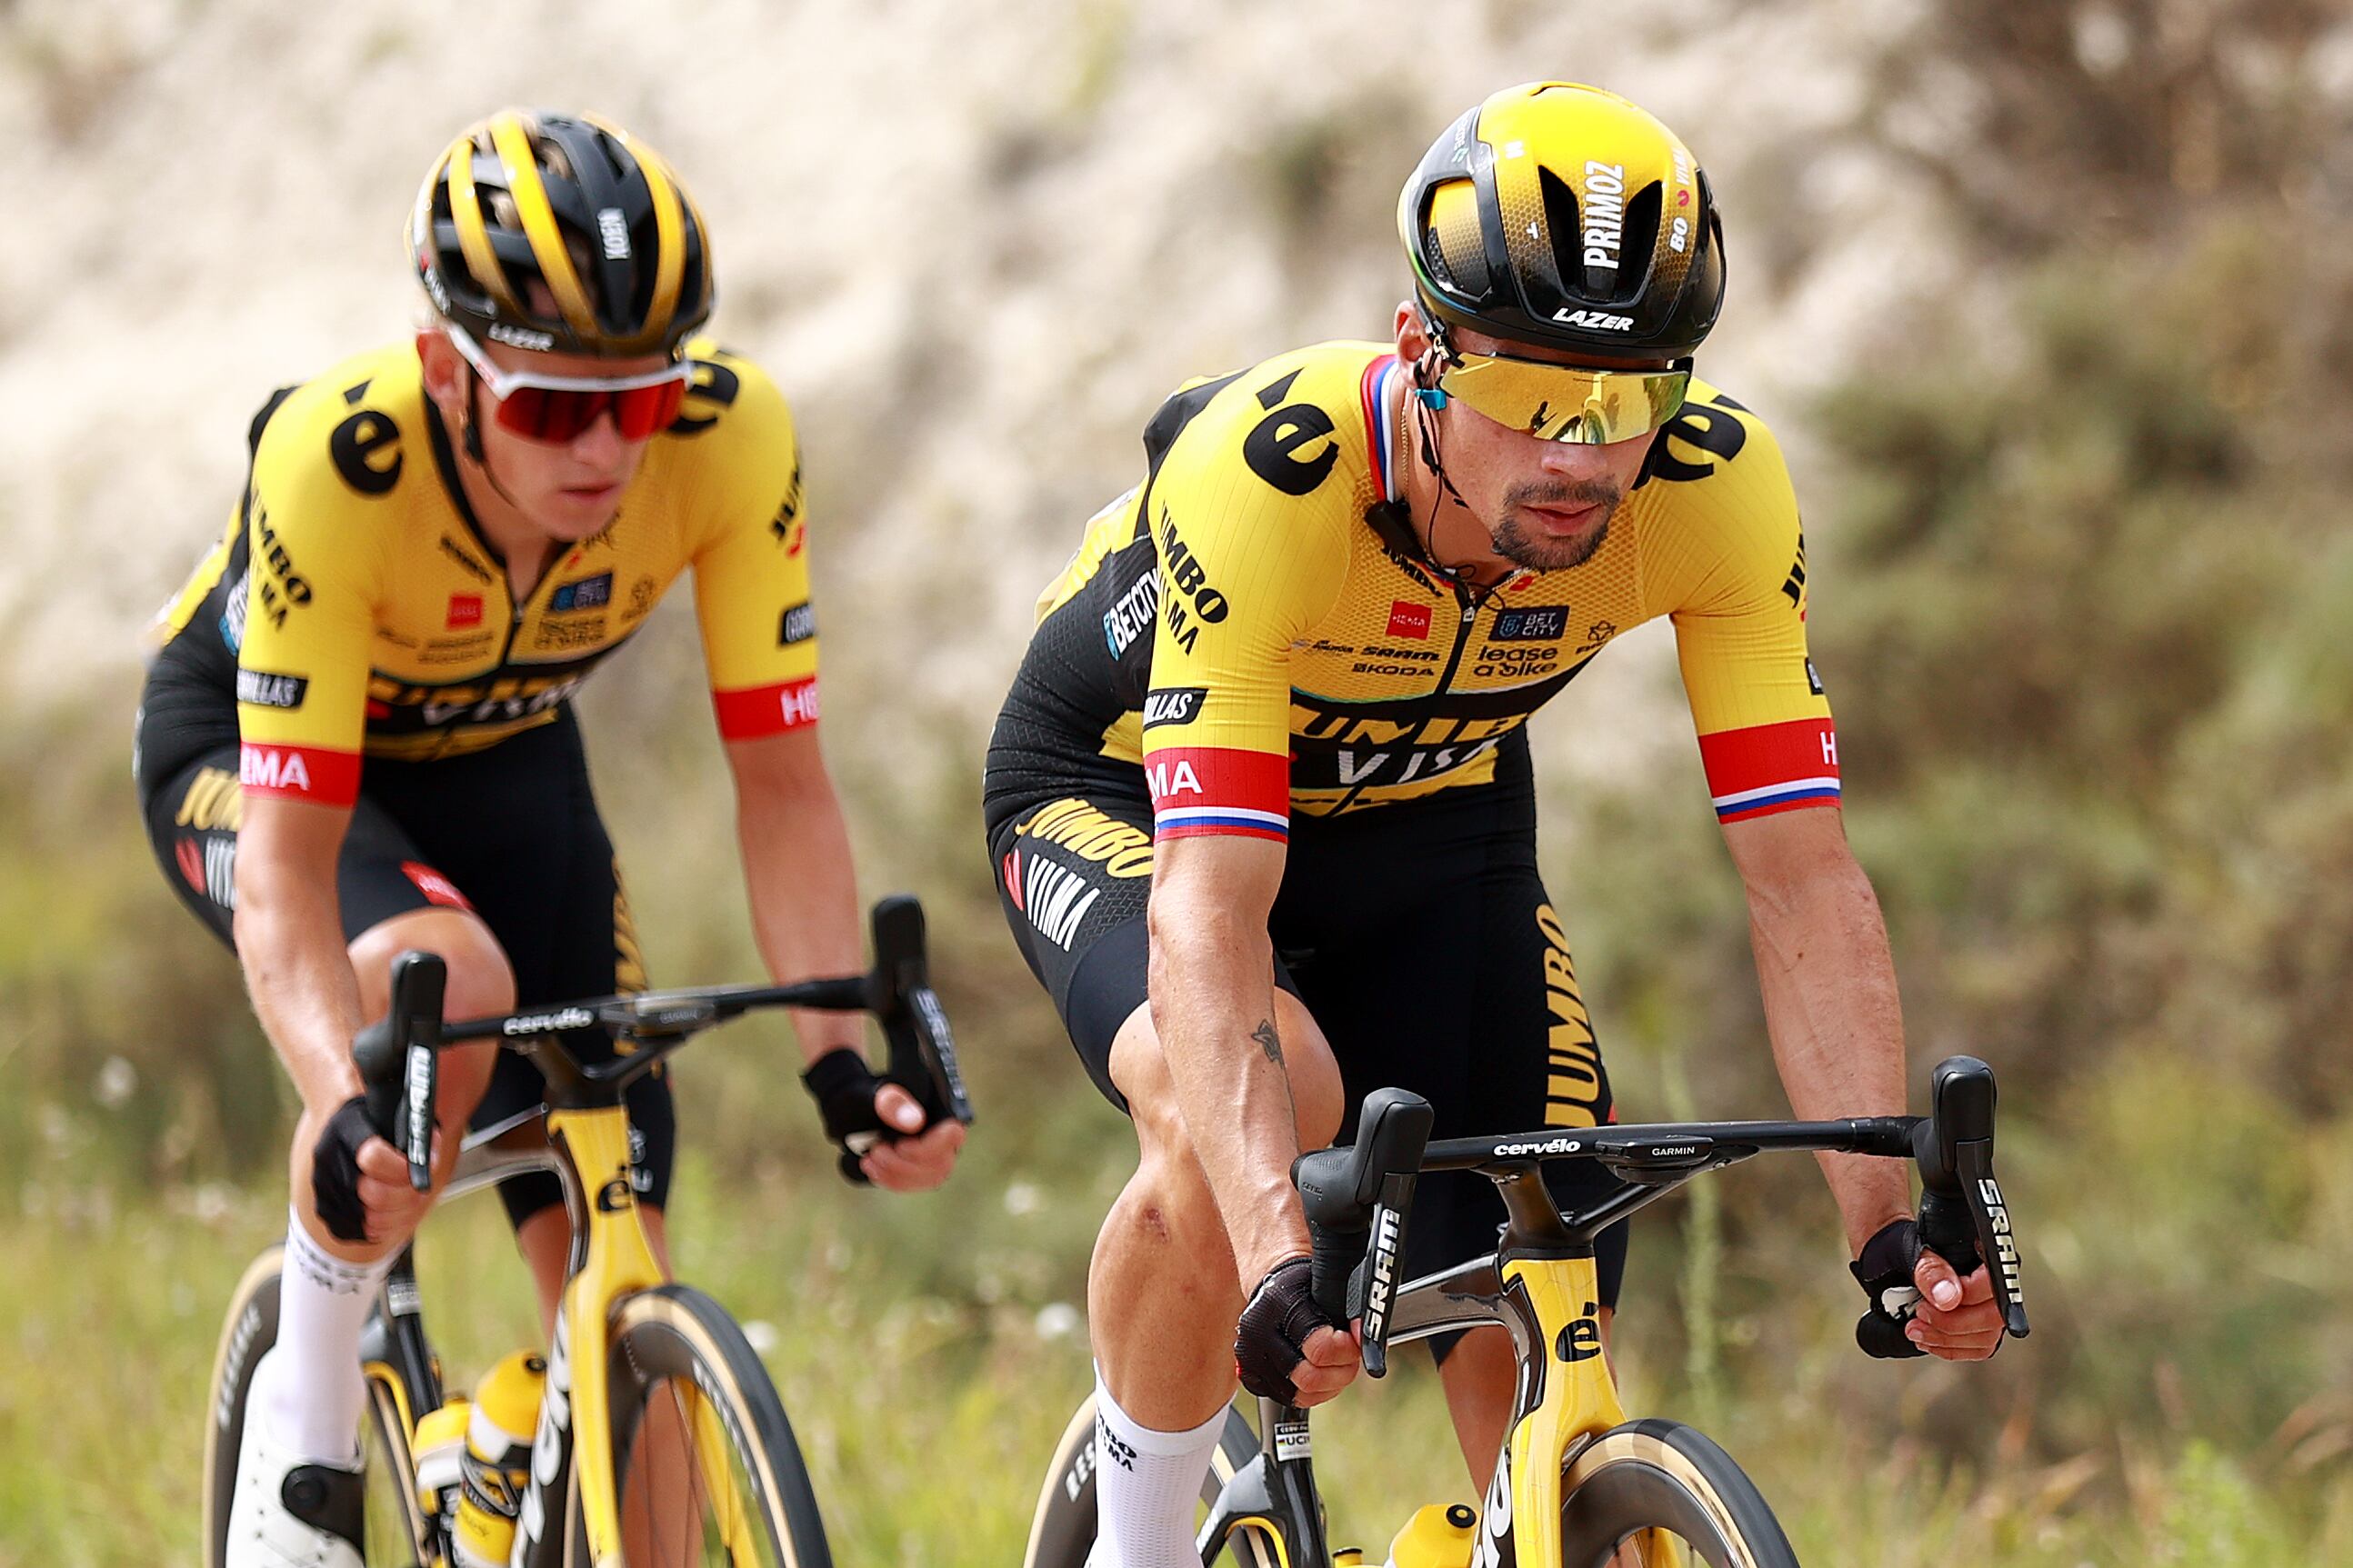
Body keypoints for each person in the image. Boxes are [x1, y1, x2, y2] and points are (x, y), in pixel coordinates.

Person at [982, 81, 2007, 1565]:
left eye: (1629, 398)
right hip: (1124, 790)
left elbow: (1801, 876)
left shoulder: (1714, 491)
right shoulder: (1271, 479)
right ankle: (1138, 1542)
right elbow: (1209, 915)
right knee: (1265, 1110)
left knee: (1554, 1211)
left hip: (1437, 817)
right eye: (1532, 396)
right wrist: (1282, 1249)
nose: (1582, 457)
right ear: (1423, 350)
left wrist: (1886, 1231)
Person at [136, 109, 965, 1567]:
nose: (602, 450)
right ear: (449, 373)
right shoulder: (339, 460)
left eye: (638, 404)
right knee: (442, 991)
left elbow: (782, 785)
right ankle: (305, 1436)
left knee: (612, 1172)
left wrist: (839, 1053)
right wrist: (340, 1100)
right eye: (548, 410)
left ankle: (555, 1461)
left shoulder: (735, 435)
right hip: (262, 760)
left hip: (505, 753)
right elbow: (284, 862)